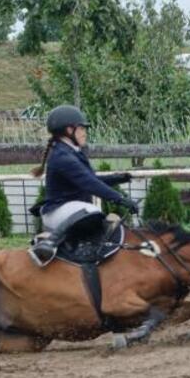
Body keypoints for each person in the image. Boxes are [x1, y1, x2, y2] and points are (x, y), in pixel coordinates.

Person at [28, 104, 139, 267]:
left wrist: (118, 178)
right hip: (58, 211)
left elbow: (89, 179)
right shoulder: (62, 157)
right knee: (92, 211)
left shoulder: (71, 152)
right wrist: (120, 199)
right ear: (69, 130)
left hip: (70, 210)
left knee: (94, 214)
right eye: (81, 129)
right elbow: (90, 183)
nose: (85, 133)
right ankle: (48, 243)